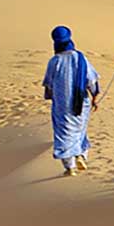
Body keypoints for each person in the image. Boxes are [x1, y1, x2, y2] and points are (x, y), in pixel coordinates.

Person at [43, 25, 100, 176]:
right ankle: (81, 155)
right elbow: (92, 81)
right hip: (81, 103)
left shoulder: (54, 61)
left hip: (62, 105)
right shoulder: (81, 59)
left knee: (64, 134)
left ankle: (70, 167)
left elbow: (49, 85)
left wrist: (51, 96)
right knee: (80, 131)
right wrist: (95, 97)